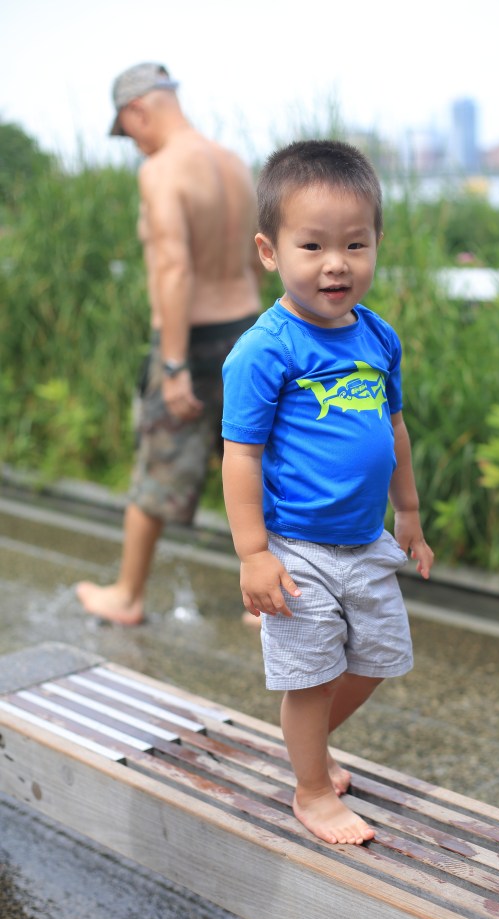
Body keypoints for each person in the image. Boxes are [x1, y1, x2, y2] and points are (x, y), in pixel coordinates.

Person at [221, 140, 434, 846]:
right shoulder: (266, 349)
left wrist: (408, 512)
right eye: (312, 245)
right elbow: (240, 456)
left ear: (376, 245)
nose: (335, 263)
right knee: (311, 679)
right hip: (295, 546)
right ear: (270, 251)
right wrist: (253, 554)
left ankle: (305, 744)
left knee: (377, 659)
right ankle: (311, 788)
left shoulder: (377, 337)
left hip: (364, 541)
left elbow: (393, 429)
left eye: (354, 244)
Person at [76, 63, 261, 625]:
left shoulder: (161, 171)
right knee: (254, 462)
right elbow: (258, 257)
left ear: (138, 111)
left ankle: (127, 596)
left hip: (192, 340)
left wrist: (175, 364)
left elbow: (175, 268)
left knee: (157, 470)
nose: (133, 143)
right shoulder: (234, 163)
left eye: (127, 131)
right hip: (247, 329)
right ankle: (271, 601)